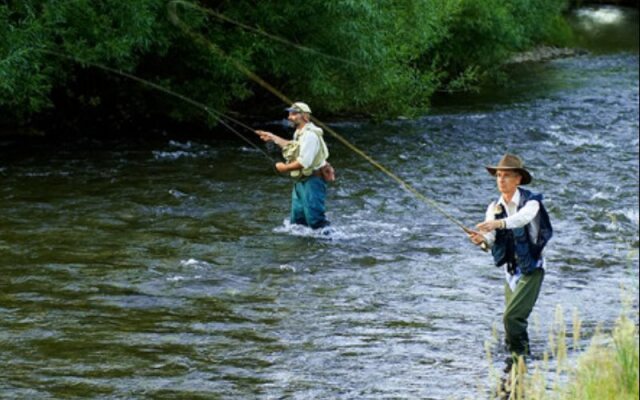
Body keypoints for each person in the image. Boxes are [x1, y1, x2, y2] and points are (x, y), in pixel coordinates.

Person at [468, 154, 552, 372]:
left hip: (532, 268)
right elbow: (491, 241)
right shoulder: (493, 207)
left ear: (518, 180)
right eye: (498, 175)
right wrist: (482, 240)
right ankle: (517, 363)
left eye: (506, 176)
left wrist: (497, 223)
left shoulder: (532, 202)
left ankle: (520, 358)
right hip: (511, 270)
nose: (501, 180)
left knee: (512, 317)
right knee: (513, 322)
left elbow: (521, 219)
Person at [255, 102, 331, 230]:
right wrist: (272, 137)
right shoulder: (299, 132)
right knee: (297, 222)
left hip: (313, 181)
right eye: (290, 113)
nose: (290, 116)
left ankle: (327, 245)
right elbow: (292, 146)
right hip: (300, 181)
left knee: (315, 221)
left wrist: (283, 168)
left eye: (294, 114)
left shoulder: (310, 135)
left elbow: (304, 162)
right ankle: (301, 247)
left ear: (305, 116)